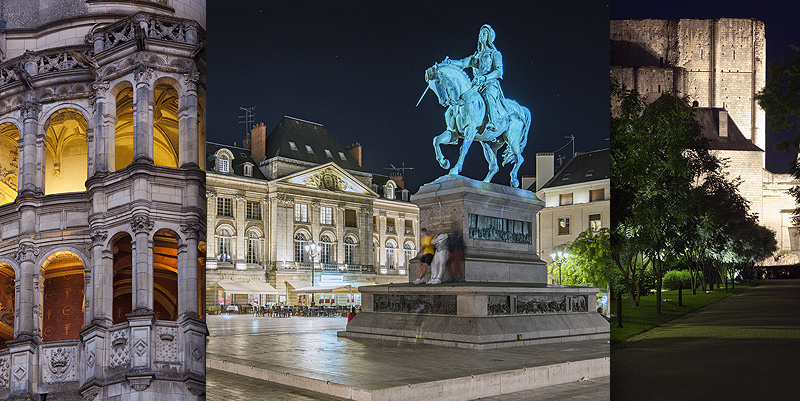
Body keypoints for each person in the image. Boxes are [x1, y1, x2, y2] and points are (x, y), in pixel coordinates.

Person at [446, 24, 506, 132]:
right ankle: (455, 128)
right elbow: (463, 62)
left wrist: (484, 78)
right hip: (476, 85)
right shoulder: (476, 56)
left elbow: (498, 71)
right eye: (480, 33)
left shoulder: (495, 54)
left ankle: (492, 122)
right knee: (461, 97)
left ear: (489, 37)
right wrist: (450, 62)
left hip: (489, 84)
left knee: (488, 96)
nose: (481, 35)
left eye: (484, 33)